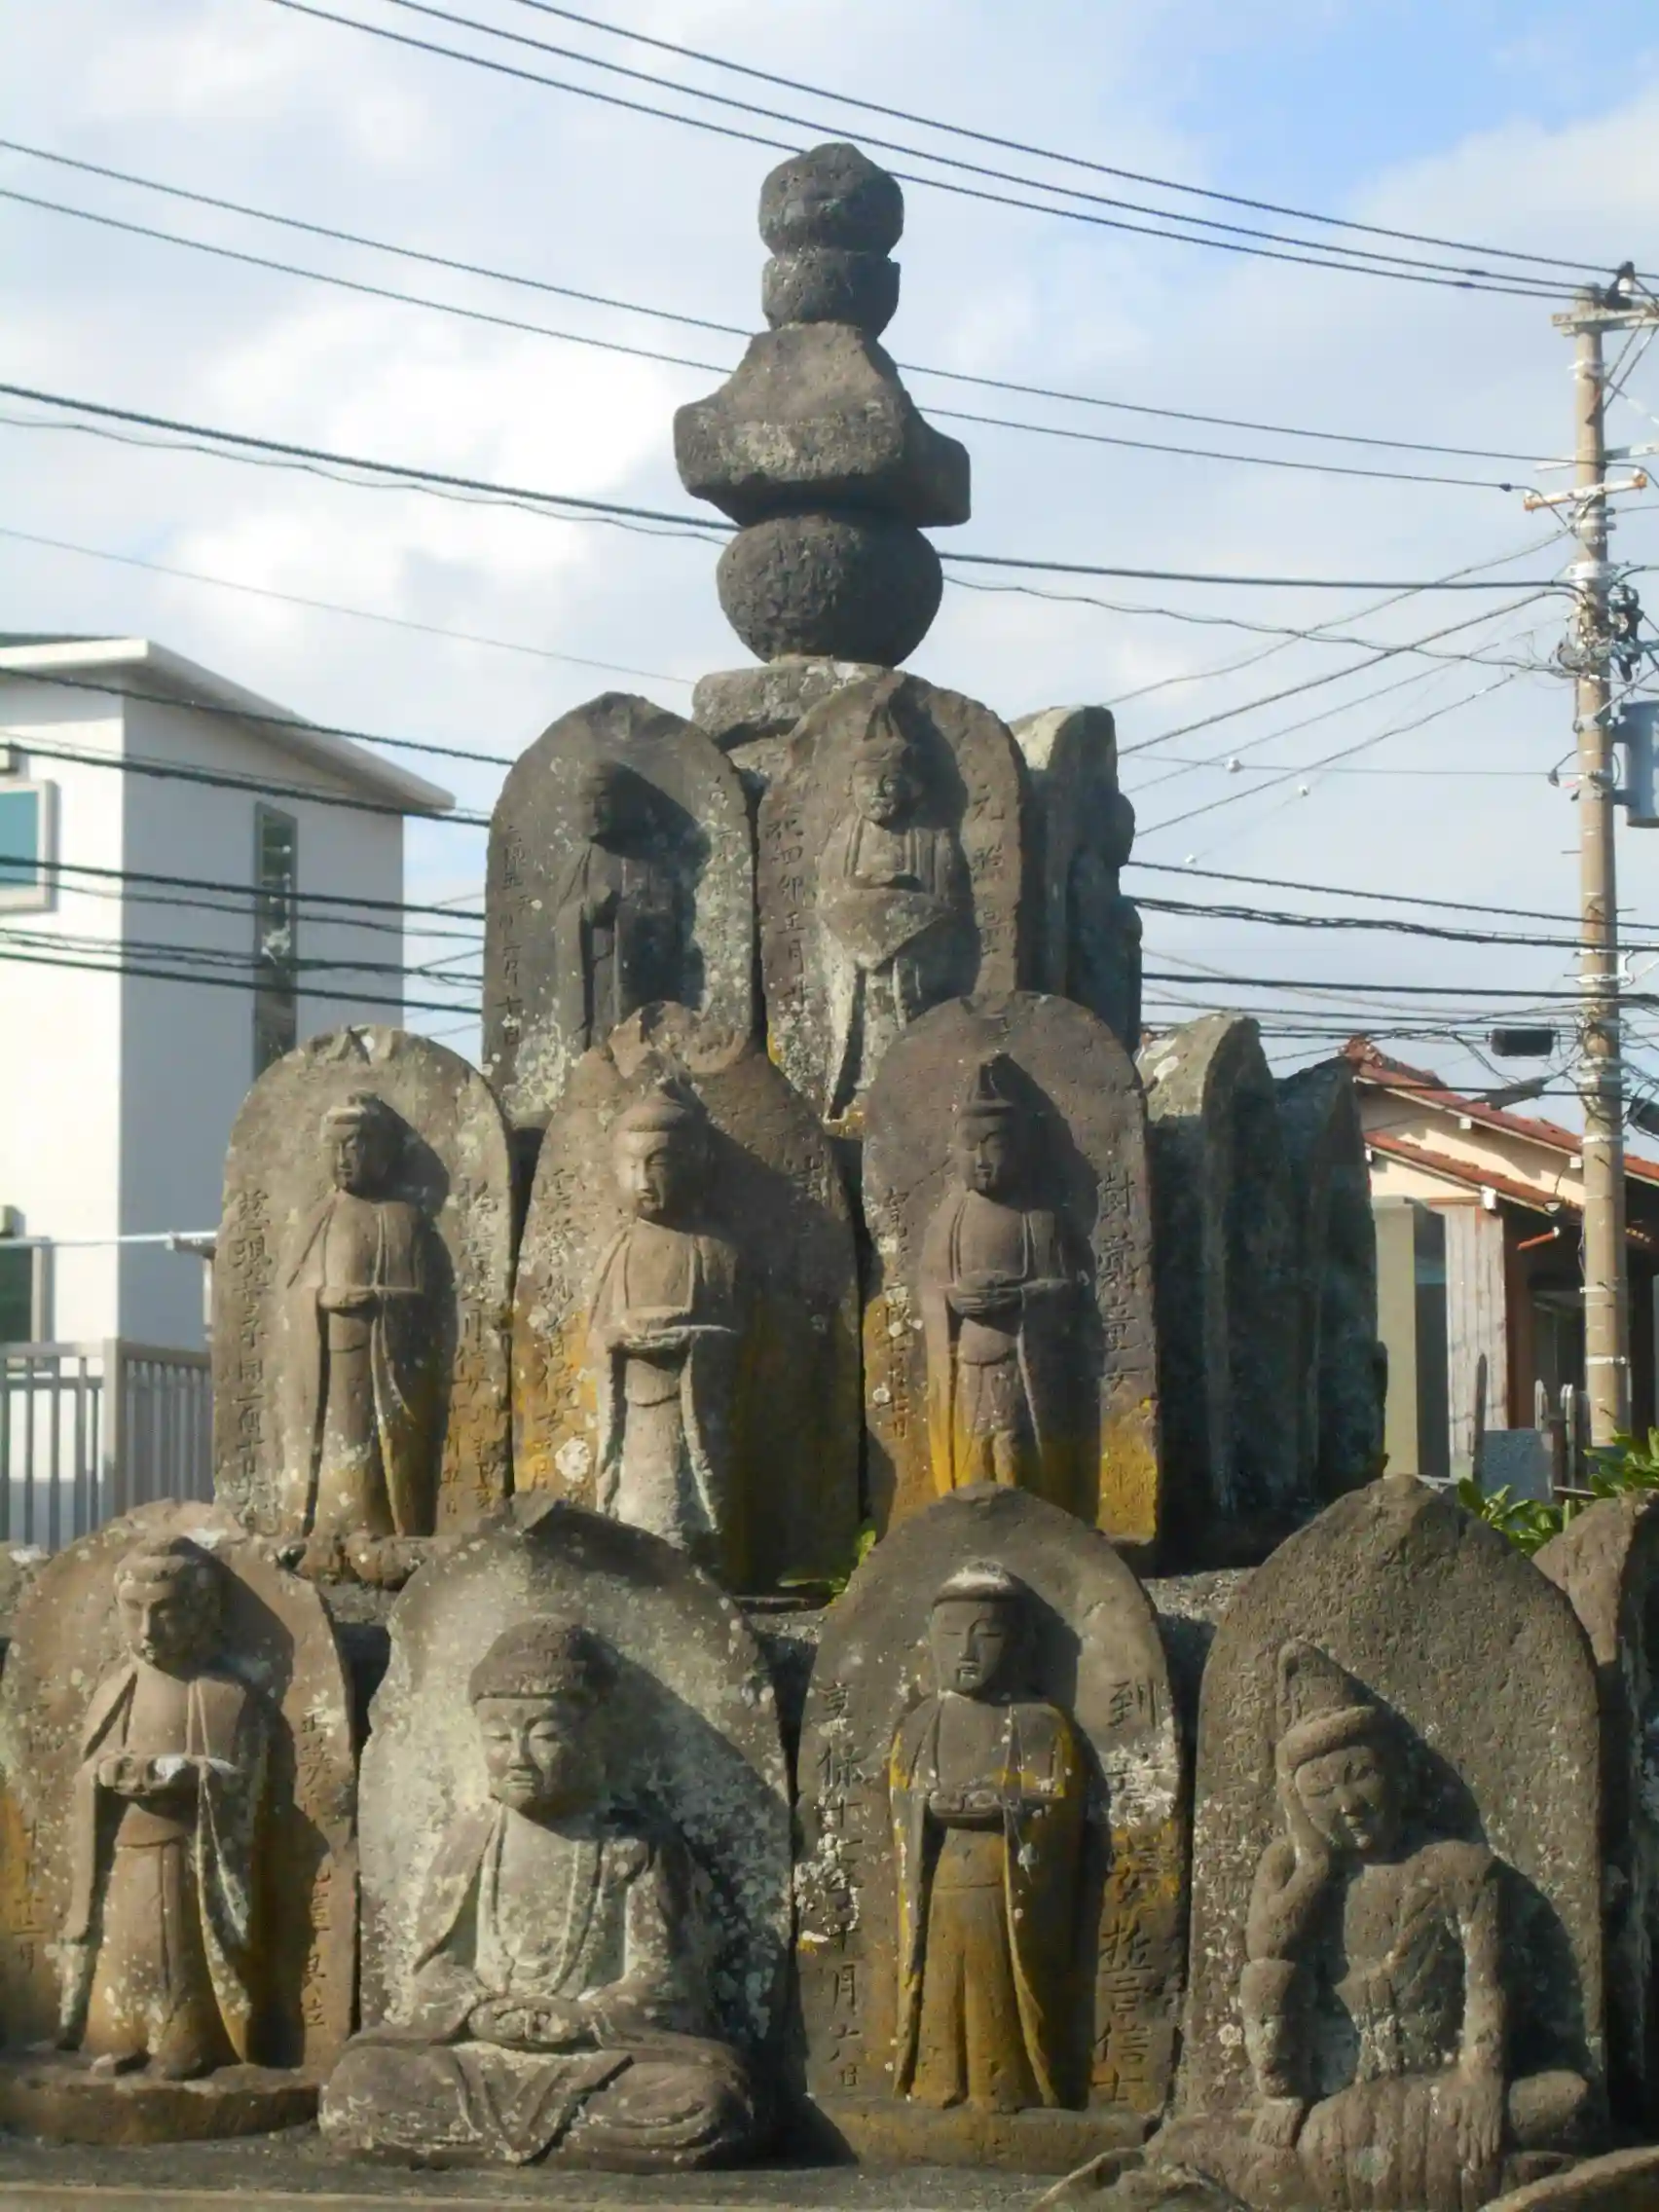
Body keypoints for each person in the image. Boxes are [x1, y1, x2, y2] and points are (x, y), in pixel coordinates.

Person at [319, 1617, 756, 2169]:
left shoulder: (636, 1845)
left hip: (595, 2059)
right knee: (358, 2090)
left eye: (545, 1735)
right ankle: (563, 2142)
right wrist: (479, 2011)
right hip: (480, 2057)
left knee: (705, 2103)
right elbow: (435, 1969)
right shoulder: (472, 1839)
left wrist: (582, 2019)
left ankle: (503, 2140)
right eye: (499, 1737)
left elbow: (664, 1979)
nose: (518, 1757)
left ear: (594, 1737)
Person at [1229, 1639, 1590, 2211]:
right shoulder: (1292, 1870)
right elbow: (1266, 1951)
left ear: (1398, 1773)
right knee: (1264, 1981)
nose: (1347, 1803)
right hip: (1330, 2106)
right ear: (1295, 1804)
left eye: (1360, 1775)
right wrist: (1315, 1865)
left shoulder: (1459, 1869)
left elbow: (1488, 1984)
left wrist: (1482, 2077)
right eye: (1320, 1790)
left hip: (1440, 2098)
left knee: (1569, 2100)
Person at [58, 1536, 271, 2081]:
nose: (148, 1630)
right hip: (124, 1854)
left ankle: (189, 2042)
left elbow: (243, 1786)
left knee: (180, 1957)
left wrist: (190, 1775)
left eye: (166, 1611)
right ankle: (117, 2037)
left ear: (201, 1612)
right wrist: (104, 1775)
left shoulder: (224, 1696)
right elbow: (88, 1770)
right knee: (123, 1951)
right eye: (134, 1611)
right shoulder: (115, 1691)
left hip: (188, 1858)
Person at [890, 1562, 1085, 2113]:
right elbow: (902, 1800)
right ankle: (937, 2083)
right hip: (941, 1881)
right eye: (951, 1635)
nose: (966, 1651)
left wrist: (1009, 1810)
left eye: (987, 1635)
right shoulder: (920, 1724)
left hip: (1005, 1885)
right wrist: (925, 1808)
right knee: (941, 1983)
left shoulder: (1039, 1722)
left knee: (995, 1984)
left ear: (1020, 1644)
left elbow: (1058, 1805)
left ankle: (1006, 2086)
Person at [279, 1090, 445, 1564]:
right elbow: (291, 1296)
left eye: (355, 1146)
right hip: (326, 1367)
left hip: (382, 1365)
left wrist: (379, 1303)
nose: (344, 1158)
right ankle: (323, 1528)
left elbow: (424, 1304)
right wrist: (319, 1300)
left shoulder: (403, 1220)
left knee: (375, 1454)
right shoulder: (317, 1219)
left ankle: (385, 1529)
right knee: (334, 1449)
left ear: (382, 1152)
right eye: (334, 1148)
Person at [585, 1083, 742, 1567]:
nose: (643, 1180)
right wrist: (616, 1340)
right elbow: (596, 1336)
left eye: (658, 1163)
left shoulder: (712, 1250)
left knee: (684, 1511)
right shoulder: (617, 1250)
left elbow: (739, 1342)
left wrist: (692, 1341)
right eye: (631, 1165)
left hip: (687, 1405)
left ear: (693, 1165)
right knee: (632, 1510)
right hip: (632, 1406)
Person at [920, 1057, 1081, 1506]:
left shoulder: (1037, 1218)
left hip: (1019, 1357)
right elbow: (930, 1289)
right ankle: (973, 1523)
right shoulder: (949, 1219)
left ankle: (1021, 1519)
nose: (982, 1161)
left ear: (1022, 1149)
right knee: (974, 1445)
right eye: (970, 1147)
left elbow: (1065, 1287)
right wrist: (953, 1299)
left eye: (995, 1145)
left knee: (1012, 1442)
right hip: (968, 1358)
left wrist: (1023, 1297)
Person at [817, 703, 970, 1118]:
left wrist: (905, 900)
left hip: (913, 961)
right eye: (868, 784)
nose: (879, 793)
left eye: (889, 782)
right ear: (851, 787)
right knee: (863, 1023)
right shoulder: (844, 840)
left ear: (913, 786)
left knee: (906, 1017)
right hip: (857, 963)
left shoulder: (932, 839)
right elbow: (826, 899)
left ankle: (914, 1085)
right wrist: (861, 895)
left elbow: (951, 905)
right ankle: (859, 1088)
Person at [551, 759, 687, 1057]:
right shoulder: (579, 863)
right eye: (585, 801)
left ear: (625, 803)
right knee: (595, 1051)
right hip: (592, 977)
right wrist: (585, 912)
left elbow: (665, 921)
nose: (594, 811)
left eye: (602, 798)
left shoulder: (646, 860)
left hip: (631, 979)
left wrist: (628, 914)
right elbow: (562, 921)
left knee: (635, 1045)